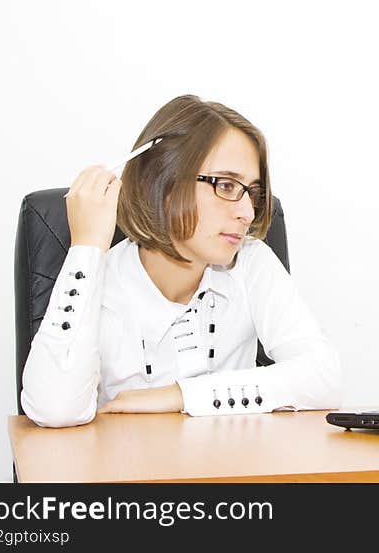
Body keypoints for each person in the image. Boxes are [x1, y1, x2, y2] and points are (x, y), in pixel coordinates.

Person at [21, 95, 342, 428]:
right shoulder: (101, 281)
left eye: (252, 192)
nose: (247, 212)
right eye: (226, 185)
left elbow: (325, 377)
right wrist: (86, 248)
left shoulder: (251, 261)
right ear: (163, 183)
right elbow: (54, 408)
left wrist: (180, 395)